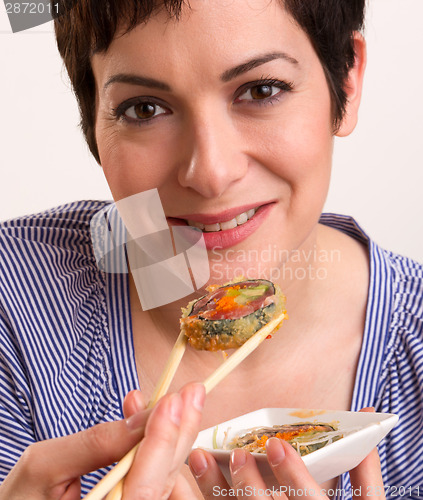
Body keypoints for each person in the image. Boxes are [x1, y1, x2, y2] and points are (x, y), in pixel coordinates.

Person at [0, 0, 422, 499]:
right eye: (144, 108)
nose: (210, 172)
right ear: (92, 118)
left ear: (346, 83)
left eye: (261, 90)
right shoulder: (14, 304)